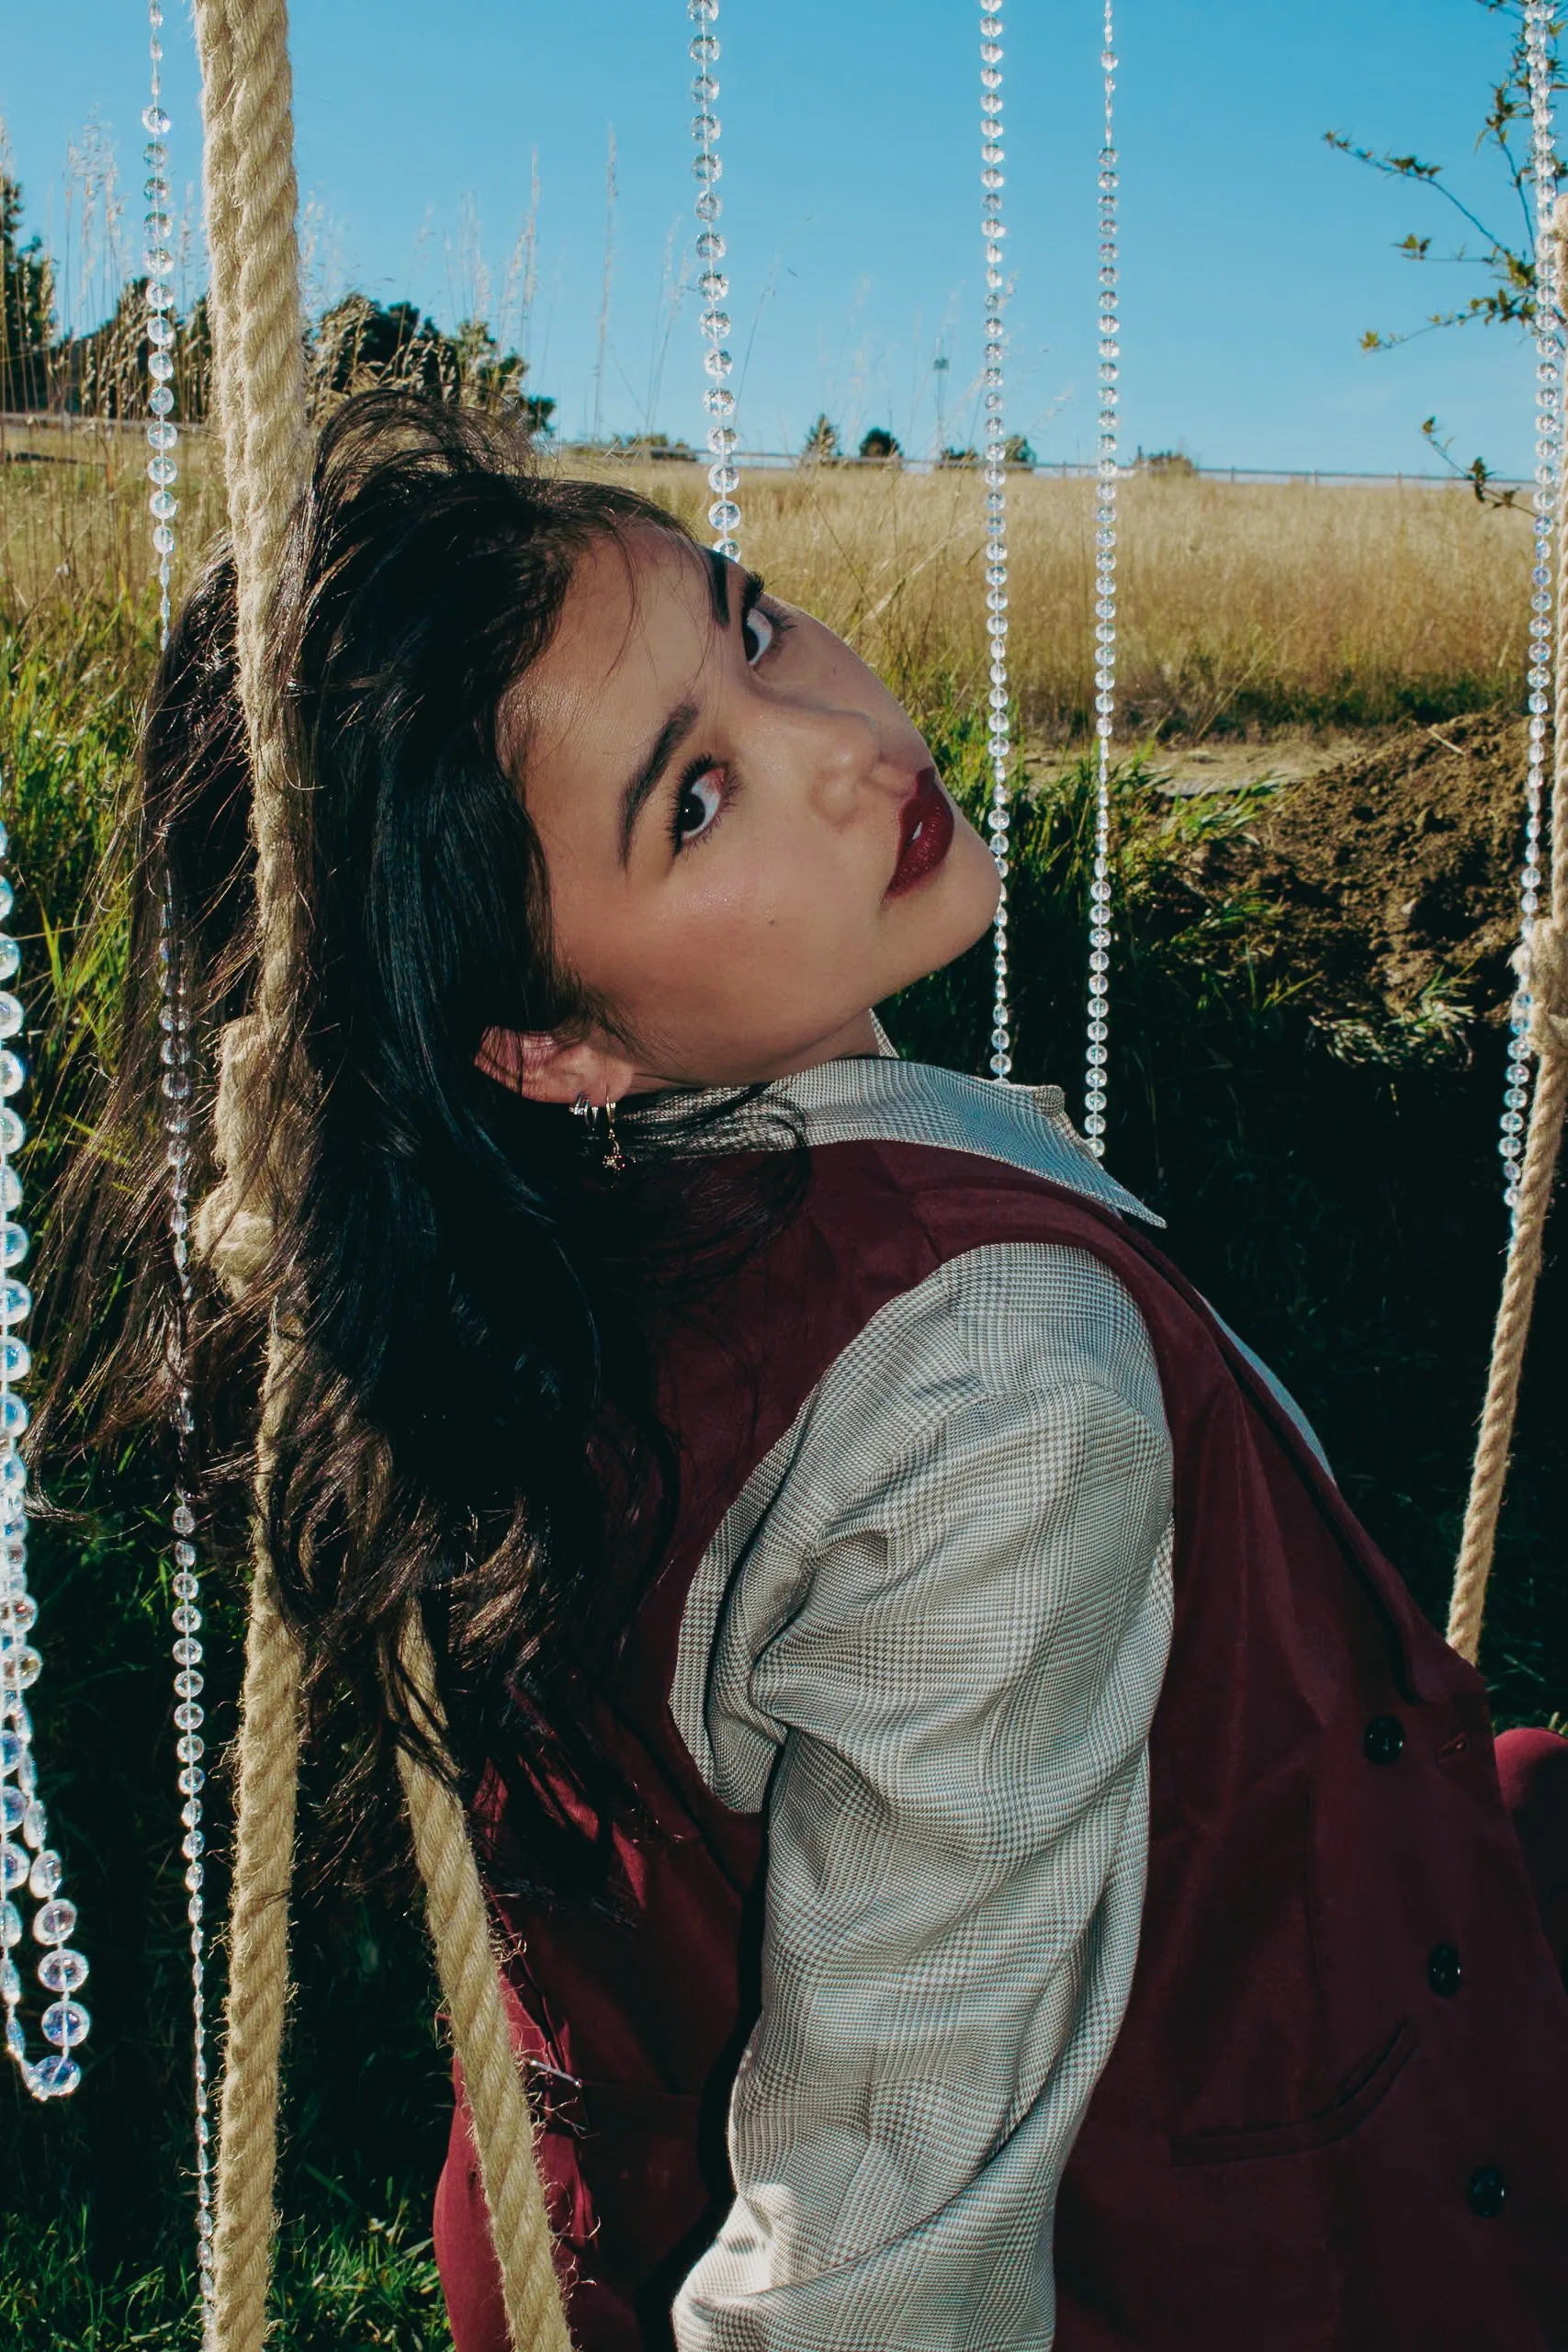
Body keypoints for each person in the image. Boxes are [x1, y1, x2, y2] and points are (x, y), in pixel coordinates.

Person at [56, 392, 1568, 2351]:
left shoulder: (533, 1272)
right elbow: (883, 2256)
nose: (849, 750)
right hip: (1261, 2211)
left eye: (750, 625)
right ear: (545, 1045)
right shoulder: (990, 1373)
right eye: (692, 799)